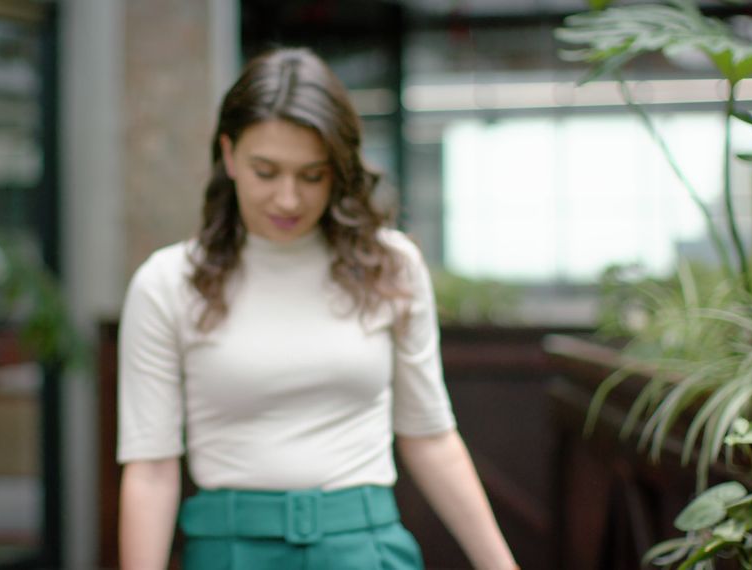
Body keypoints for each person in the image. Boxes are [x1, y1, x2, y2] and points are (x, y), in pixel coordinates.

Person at [117, 47, 518, 570]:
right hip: (229, 549)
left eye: (312, 176)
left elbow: (430, 437)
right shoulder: (168, 283)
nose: (288, 199)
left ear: (340, 171)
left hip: (366, 547)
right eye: (266, 171)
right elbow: (151, 469)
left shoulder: (390, 266)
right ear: (229, 155)